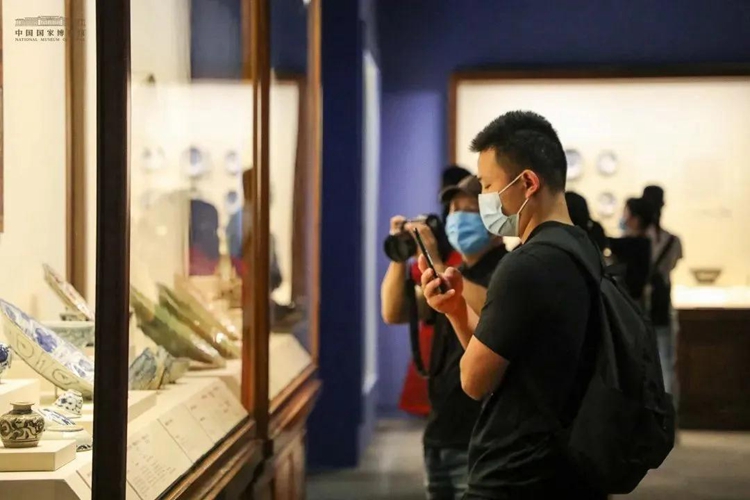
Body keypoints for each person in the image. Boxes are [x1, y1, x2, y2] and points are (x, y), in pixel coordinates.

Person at [419, 110, 606, 499]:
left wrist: (458, 315)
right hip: (573, 465)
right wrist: (457, 311)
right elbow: (505, 357)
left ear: (528, 183)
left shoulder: (524, 265)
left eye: (487, 185)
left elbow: (475, 380)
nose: (484, 199)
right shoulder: (581, 250)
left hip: (518, 472)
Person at [381, 175, 507, 500]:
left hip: (480, 438)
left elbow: (489, 309)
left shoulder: (507, 271)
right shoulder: (455, 274)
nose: (459, 219)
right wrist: (400, 256)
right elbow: (394, 312)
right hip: (440, 432)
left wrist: (435, 261)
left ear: (495, 220)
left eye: (470, 211)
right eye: (454, 210)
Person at [642, 185, 683, 396]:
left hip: (639, 305)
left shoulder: (635, 241)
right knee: (666, 363)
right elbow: (672, 266)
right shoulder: (674, 241)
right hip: (662, 305)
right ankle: (668, 411)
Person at [609, 197, 654, 307]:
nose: (623, 218)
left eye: (625, 213)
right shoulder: (645, 242)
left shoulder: (634, 244)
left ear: (636, 219)